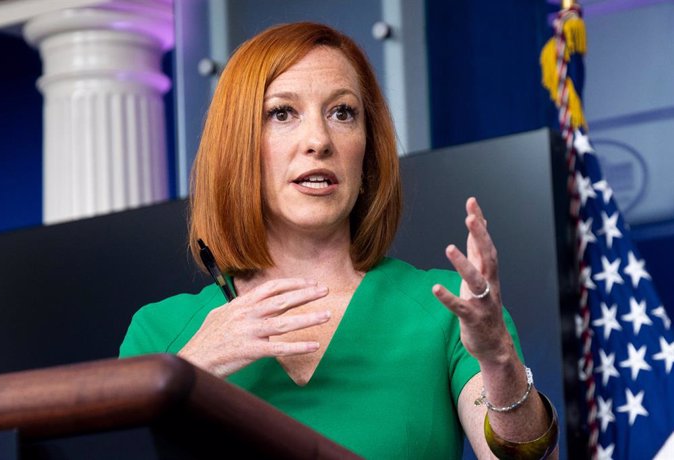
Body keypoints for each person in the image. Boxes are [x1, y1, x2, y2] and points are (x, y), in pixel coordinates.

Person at [119, 21, 559, 459]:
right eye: (282, 113)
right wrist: (187, 372)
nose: (319, 141)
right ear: (237, 148)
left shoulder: (449, 312)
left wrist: (499, 358)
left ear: (367, 151)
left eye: (342, 112)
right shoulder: (158, 335)